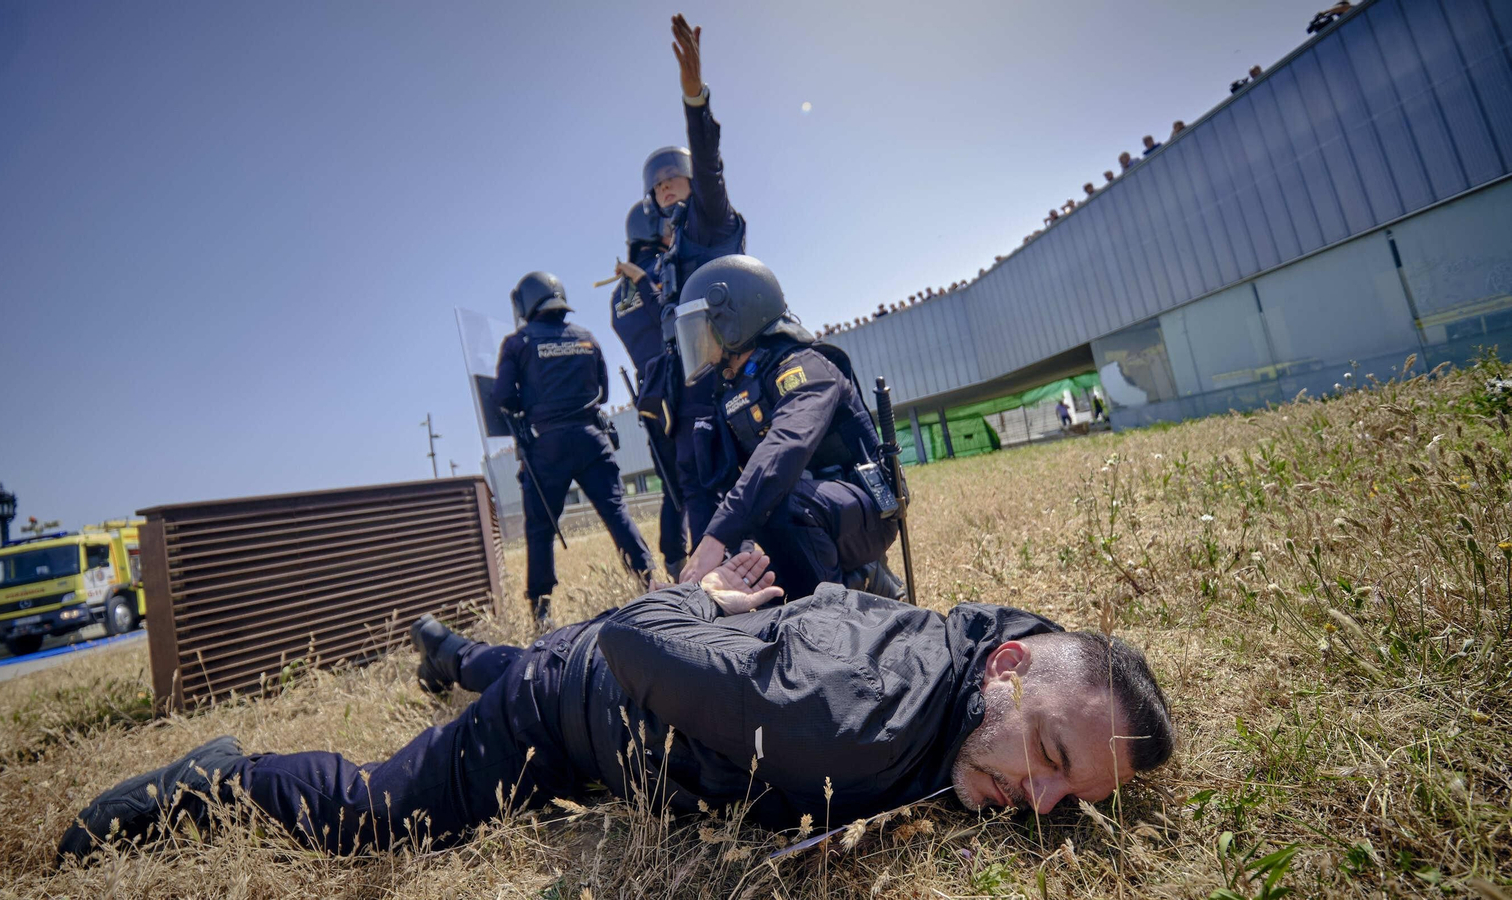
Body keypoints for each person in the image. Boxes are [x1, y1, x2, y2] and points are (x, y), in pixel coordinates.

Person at [58, 551, 1175, 862]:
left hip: (624, 695)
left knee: (536, 662)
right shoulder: (842, 717)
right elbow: (639, 643)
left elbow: (1057, 662)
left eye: (1068, 792)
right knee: (377, 816)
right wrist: (696, 600)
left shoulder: (991, 662)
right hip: (571, 712)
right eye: (1047, 756)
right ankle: (216, 778)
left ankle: (451, 653)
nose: (1040, 801)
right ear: (1003, 671)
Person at [671, 255, 903, 600]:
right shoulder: (731, 392)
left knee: (778, 501)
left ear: (733, 317)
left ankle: (852, 592)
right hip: (811, 511)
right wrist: (721, 559)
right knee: (753, 552)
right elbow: (723, 486)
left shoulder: (806, 367)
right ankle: (812, 597)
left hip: (866, 514)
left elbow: (785, 448)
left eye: (701, 328)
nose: (697, 342)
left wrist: (717, 537)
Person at [631, 14, 748, 554]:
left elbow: (709, 166)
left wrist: (695, 100)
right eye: (656, 186)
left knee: (742, 480)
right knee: (693, 483)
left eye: (671, 178)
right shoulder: (670, 252)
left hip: (729, 370)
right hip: (688, 382)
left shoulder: (709, 219)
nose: (663, 188)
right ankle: (706, 586)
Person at [496, 271, 654, 627]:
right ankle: (649, 581)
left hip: (547, 446)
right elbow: (604, 393)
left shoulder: (518, 343)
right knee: (616, 513)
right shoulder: (587, 337)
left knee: (540, 528)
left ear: (525, 304)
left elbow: (503, 397)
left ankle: (541, 611)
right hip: (591, 438)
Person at [610, 202, 692, 579]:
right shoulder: (664, 268)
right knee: (705, 474)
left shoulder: (617, 293)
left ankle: (675, 560)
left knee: (674, 484)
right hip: (684, 380)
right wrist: (646, 281)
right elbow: (669, 317)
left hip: (651, 393)